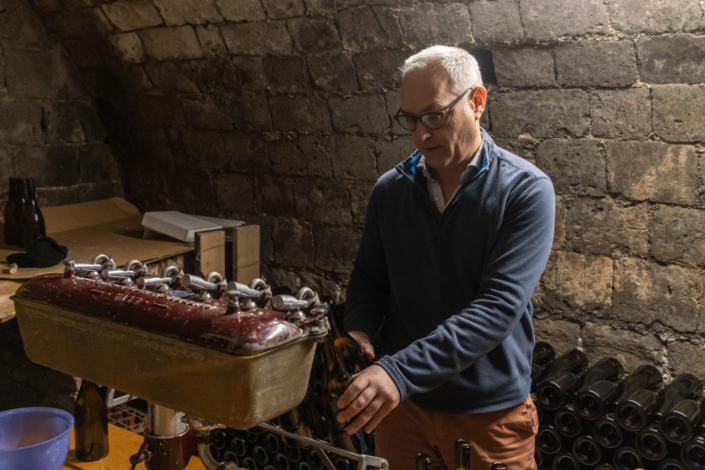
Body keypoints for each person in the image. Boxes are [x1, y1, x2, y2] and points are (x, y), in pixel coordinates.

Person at [337, 45, 555, 470]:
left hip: (488, 414)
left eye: (434, 116)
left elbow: (497, 309)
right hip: (404, 412)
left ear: (476, 102)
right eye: (410, 119)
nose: (420, 134)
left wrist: (397, 373)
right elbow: (368, 275)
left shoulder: (526, 192)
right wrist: (359, 331)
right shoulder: (390, 191)